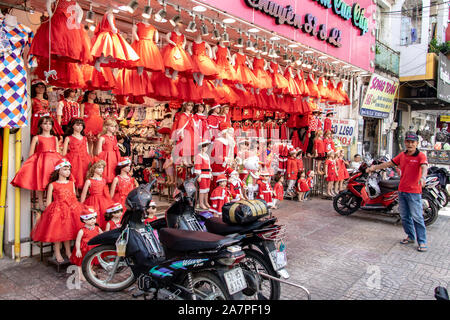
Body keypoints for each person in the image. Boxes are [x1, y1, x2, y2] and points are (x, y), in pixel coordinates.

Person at [367, 131, 429, 252]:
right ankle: (410, 236)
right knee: (405, 216)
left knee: (417, 217)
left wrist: (423, 177)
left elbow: (424, 167)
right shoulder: (402, 155)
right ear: (405, 142)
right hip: (402, 190)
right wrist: (374, 167)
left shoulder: (421, 156)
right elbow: (389, 163)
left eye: (412, 142)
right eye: (408, 142)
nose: (410, 144)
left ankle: (422, 241)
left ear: (416, 143)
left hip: (414, 192)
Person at [30, 159, 84, 263]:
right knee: (57, 233)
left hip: (70, 210)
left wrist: (74, 208)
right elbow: (49, 201)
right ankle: (57, 252)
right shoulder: (53, 185)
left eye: (69, 169)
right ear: (58, 170)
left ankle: (68, 251)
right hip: (58, 211)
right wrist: (50, 214)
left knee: (68, 232)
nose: (68, 171)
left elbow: (74, 197)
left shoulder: (71, 183)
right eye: (65, 169)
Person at [70, 207, 103, 282]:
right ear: (84, 220)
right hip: (83, 249)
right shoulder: (82, 231)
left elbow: (102, 235)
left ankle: (89, 272)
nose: (93, 220)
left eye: (94, 218)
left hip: (93, 248)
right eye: (90, 219)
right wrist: (78, 250)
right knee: (80, 263)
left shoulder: (97, 228)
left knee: (90, 261)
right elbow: (78, 241)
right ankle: (80, 274)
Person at [80, 159, 114, 230]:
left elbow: (106, 193)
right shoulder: (89, 181)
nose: (101, 169)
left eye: (102, 168)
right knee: (94, 217)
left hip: (103, 201)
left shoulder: (103, 180)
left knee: (103, 217)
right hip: (92, 201)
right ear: (93, 168)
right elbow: (83, 196)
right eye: (99, 167)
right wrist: (81, 206)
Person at [62, 118, 91, 191]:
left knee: (84, 175)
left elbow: (87, 151)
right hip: (73, 160)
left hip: (84, 159)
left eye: (81, 125)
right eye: (77, 125)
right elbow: (64, 153)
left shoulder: (84, 138)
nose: (80, 127)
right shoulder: (68, 138)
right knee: (75, 176)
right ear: (72, 126)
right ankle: (74, 193)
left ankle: (82, 194)